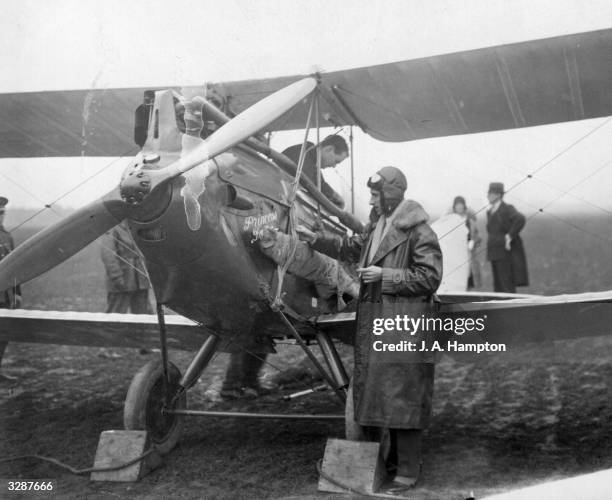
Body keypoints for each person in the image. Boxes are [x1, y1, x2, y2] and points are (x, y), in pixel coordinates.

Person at [298, 166, 442, 489]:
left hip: (405, 324)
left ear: (390, 196)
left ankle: (408, 470)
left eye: (375, 195)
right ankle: (390, 463)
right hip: (380, 322)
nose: (371, 200)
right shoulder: (378, 224)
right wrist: (316, 240)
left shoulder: (419, 231)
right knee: (383, 395)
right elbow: (353, 247)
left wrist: (386, 277)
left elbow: (430, 277)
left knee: (403, 397)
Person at [282, 135, 349, 209]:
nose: (334, 166)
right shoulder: (303, 156)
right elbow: (310, 187)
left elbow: (320, 184)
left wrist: (334, 195)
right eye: (336, 161)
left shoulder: (310, 157)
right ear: (329, 149)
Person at [100, 220, 153, 314]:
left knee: (145, 318)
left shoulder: (138, 225)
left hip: (141, 282)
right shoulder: (112, 227)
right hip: (122, 281)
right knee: (115, 317)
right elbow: (108, 255)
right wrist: (117, 278)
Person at [486, 182, 528, 293]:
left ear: (498, 195)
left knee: (506, 286)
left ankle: (510, 309)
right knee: (497, 286)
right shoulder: (490, 211)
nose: (488, 196)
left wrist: (509, 236)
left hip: (504, 253)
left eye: (490, 194)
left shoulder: (507, 208)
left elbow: (521, 219)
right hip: (493, 253)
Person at [0, 197, 21, 382]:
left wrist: (17, 294)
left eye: (2, 213)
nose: (0, 216)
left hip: (4, 295)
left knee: (3, 334)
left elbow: (16, 266)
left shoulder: (7, 236)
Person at [451, 195, 482, 289]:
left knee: (469, 278)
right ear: (454, 207)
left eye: (461, 205)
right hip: (456, 255)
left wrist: (473, 241)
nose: (459, 207)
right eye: (457, 205)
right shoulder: (450, 221)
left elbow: (479, 237)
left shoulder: (470, 222)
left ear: (464, 206)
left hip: (469, 254)